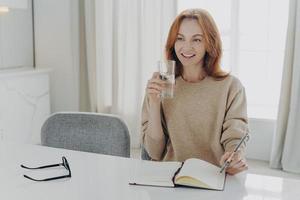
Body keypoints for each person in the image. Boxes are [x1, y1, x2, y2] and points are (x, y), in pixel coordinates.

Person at [141, 8, 249, 175]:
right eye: (180, 39)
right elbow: (154, 152)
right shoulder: (161, 85)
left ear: (209, 43)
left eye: (197, 40)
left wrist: (234, 156)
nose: (186, 47)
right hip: (170, 178)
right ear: (172, 42)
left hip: (212, 178)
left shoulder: (231, 87)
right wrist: (154, 103)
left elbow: (235, 136)